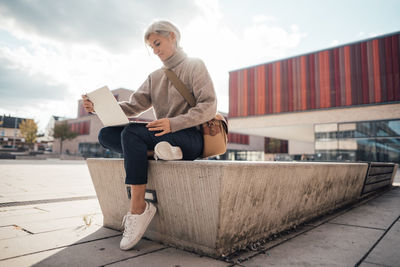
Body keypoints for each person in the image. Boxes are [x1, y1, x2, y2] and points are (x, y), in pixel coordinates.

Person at [82, 20, 217, 251]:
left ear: (173, 36)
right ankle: (162, 152)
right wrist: (99, 108)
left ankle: (139, 208)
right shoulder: (155, 76)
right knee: (106, 135)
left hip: (191, 138)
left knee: (132, 134)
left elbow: (209, 106)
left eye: (158, 43)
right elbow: (134, 106)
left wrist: (173, 123)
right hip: (163, 137)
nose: (155, 51)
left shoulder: (195, 65)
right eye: (152, 47)